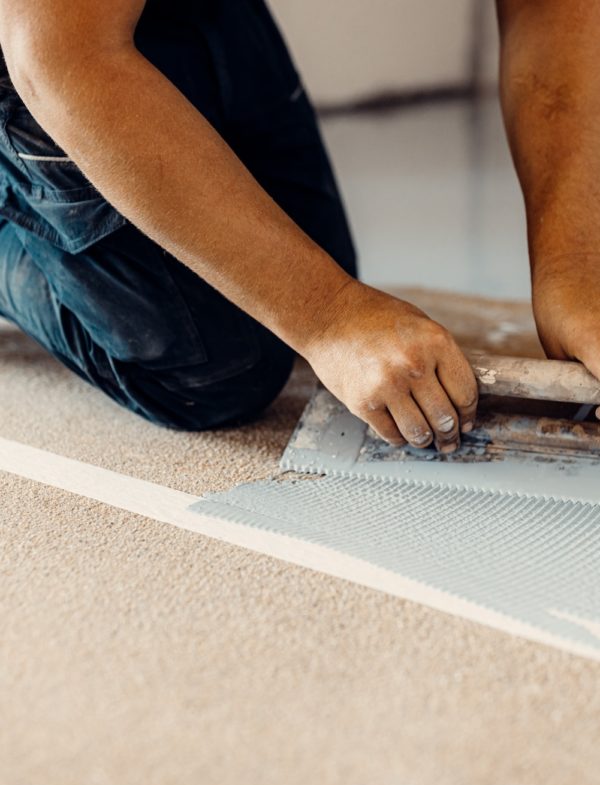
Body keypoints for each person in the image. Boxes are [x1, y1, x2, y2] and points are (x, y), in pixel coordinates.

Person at [0, 1, 593, 455]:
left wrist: (574, 269)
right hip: (47, 33)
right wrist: (328, 317)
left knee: (303, 270)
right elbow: (59, 52)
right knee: (216, 367)